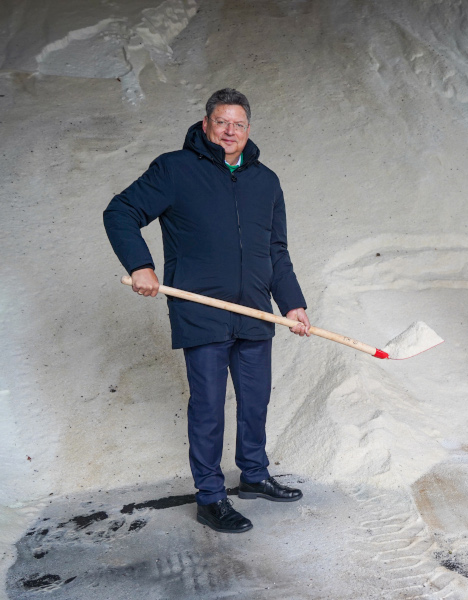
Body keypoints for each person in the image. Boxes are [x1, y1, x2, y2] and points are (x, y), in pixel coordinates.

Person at [104, 88, 310, 533]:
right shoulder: (175, 170)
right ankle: (211, 496)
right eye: (222, 123)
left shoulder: (266, 180)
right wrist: (140, 265)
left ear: (248, 129)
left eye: (238, 124)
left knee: (255, 402)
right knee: (209, 408)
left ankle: (254, 476)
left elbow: (276, 250)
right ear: (206, 125)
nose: (230, 131)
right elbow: (120, 211)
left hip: (256, 311)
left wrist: (292, 302)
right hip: (203, 312)